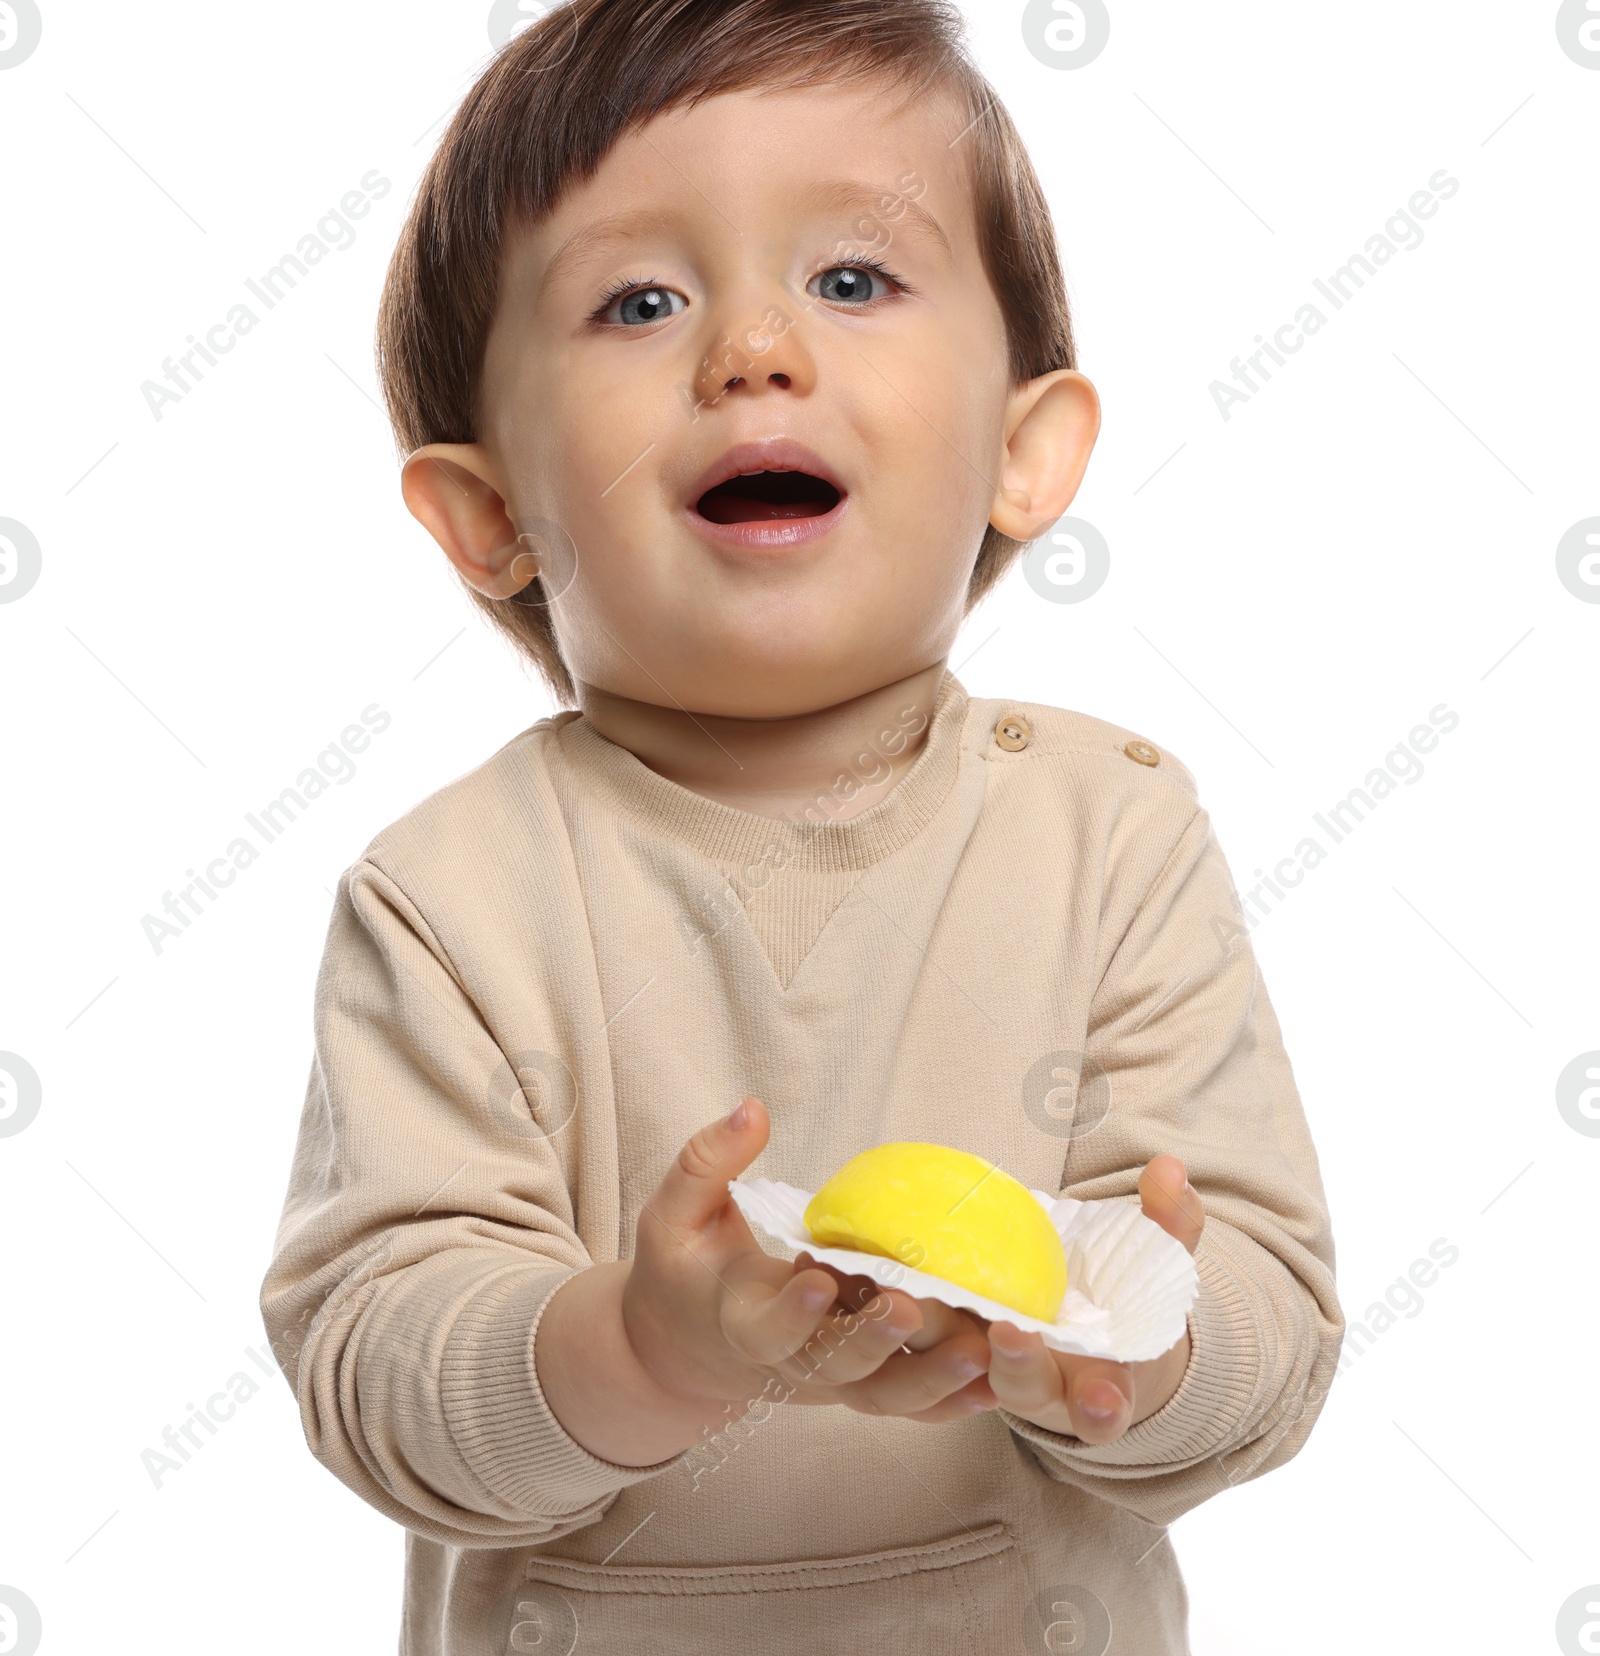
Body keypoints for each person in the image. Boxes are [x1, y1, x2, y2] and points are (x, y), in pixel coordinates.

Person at [259, 2, 1343, 1650]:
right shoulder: (449, 898)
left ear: (1023, 453)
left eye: (852, 278)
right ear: (489, 519)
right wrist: (645, 1347)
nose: (754, 346)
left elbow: (1266, 1316)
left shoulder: (1107, 831)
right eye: (639, 300)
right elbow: (382, 1377)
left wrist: (1150, 1346)